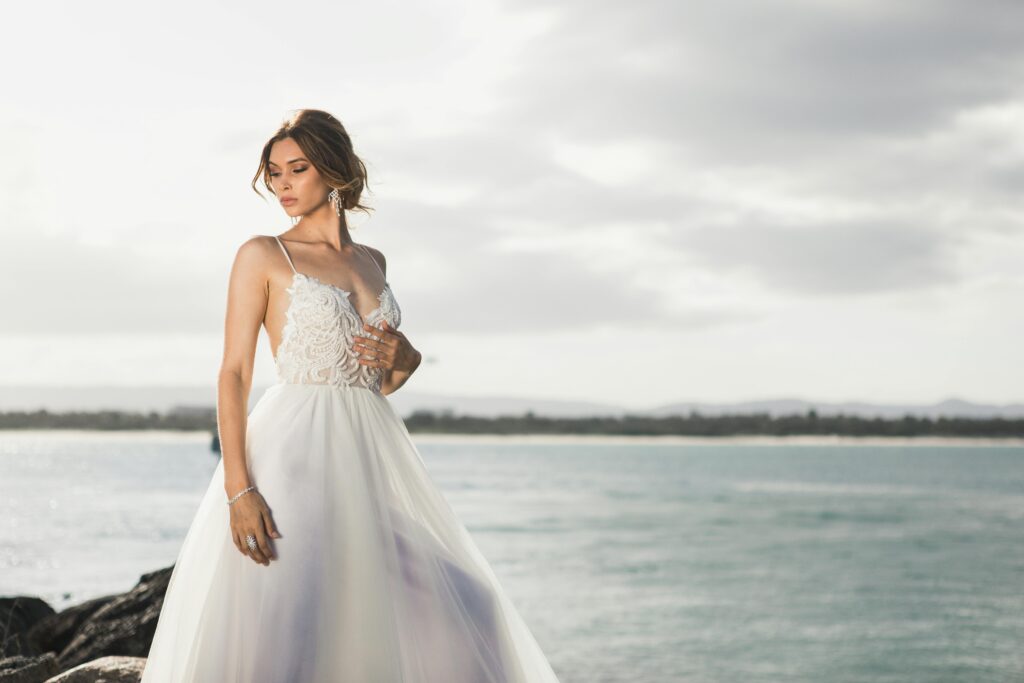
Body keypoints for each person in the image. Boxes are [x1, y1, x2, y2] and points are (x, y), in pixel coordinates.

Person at [140, 109, 562, 682]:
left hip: (366, 461)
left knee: (470, 605)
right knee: (291, 628)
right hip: (293, 456)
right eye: (275, 173)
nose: (283, 185)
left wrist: (407, 360)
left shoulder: (373, 261)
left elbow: (379, 379)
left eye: (298, 169)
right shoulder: (264, 254)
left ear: (334, 170)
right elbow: (234, 373)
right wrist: (239, 489)